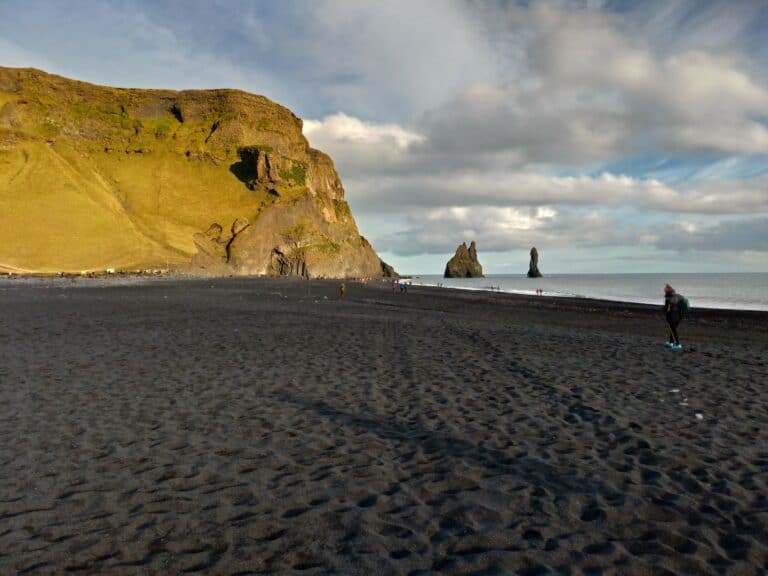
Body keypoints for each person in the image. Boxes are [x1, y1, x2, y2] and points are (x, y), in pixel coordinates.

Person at [664, 284, 683, 350]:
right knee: (672, 329)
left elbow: (667, 308)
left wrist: (666, 313)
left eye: (665, 289)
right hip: (679, 315)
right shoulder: (677, 296)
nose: (664, 290)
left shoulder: (669, 297)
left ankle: (678, 344)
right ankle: (671, 342)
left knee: (673, 329)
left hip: (673, 316)